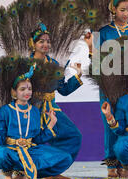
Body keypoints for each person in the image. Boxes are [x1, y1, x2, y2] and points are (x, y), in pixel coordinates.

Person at [0, 64, 73, 179]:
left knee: (66, 158)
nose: (27, 92)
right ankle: (8, 174)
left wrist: (51, 124)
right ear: (14, 92)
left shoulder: (35, 111)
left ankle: (25, 172)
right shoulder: (6, 110)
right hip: (11, 150)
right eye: (22, 89)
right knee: (1, 155)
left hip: (30, 150)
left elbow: (38, 139)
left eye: (29, 89)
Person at [97, 0, 128, 178]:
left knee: (127, 122)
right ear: (113, 10)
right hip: (109, 83)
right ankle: (111, 163)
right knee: (110, 122)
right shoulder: (104, 31)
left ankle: (126, 163)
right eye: (122, 9)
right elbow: (98, 60)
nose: (126, 13)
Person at [29, 22, 86, 169]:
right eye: (41, 41)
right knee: (32, 140)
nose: (45, 44)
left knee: (73, 136)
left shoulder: (54, 63)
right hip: (32, 109)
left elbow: (64, 90)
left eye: (48, 41)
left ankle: (54, 169)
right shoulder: (27, 64)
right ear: (33, 44)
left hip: (52, 109)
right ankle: (26, 169)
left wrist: (77, 76)